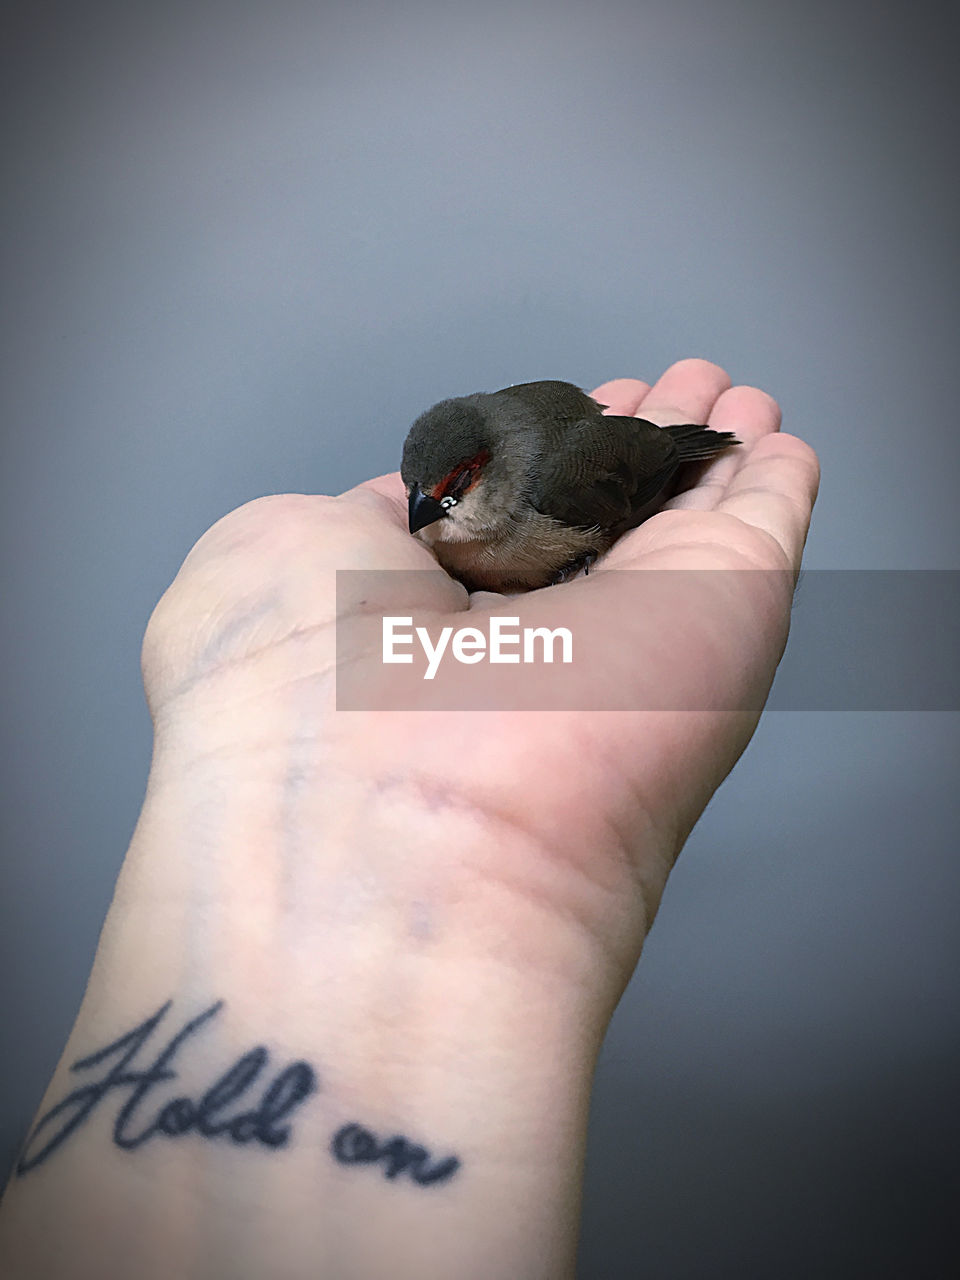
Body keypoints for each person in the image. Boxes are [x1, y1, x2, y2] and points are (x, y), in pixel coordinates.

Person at [0, 359, 819, 1278]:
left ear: (491, 474)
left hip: (621, 456)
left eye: (453, 496)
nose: (428, 518)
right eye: (418, 498)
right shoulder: (437, 506)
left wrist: (632, 501)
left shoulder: (557, 481)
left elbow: (606, 479)